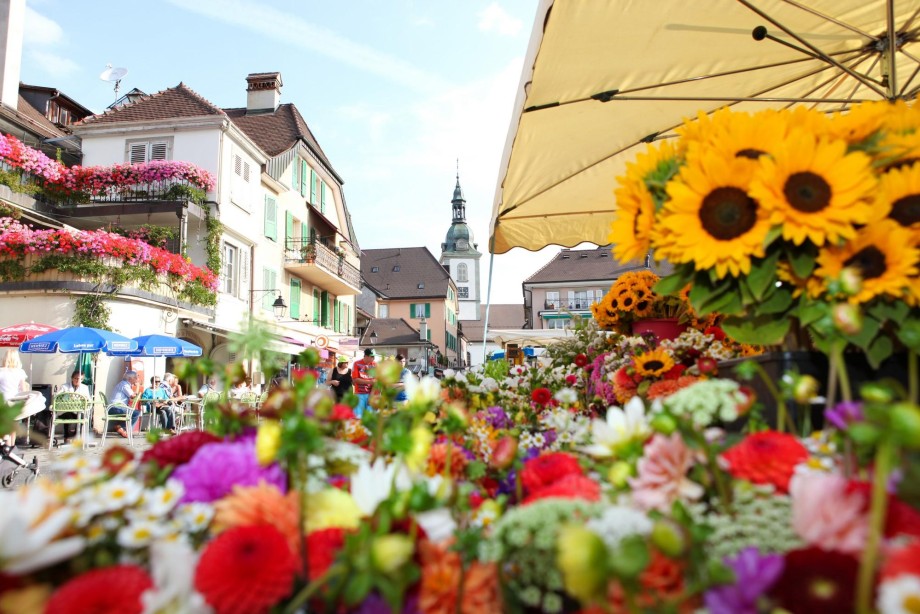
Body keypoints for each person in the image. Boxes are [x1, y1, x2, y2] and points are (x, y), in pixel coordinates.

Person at [0, 349, 45, 445]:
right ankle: (11, 447)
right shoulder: (20, 372)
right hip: (15, 400)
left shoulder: (0, 371)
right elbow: (23, 389)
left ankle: (6, 448)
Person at [57, 370, 90, 439]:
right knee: (69, 417)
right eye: (76, 378)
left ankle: (79, 438)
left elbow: (89, 401)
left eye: (80, 379)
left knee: (82, 417)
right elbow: (57, 397)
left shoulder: (84, 388)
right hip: (66, 410)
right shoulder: (64, 387)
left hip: (79, 411)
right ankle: (67, 438)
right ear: (72, 378)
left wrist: (85, 399)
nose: (78, 380)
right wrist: (66, 396)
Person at [108, 370, 141, 438]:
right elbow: (133, 397)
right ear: (130, 378)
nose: (137, 379)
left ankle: (120, 427)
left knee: (132, 412)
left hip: (114, 407)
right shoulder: (125, 384)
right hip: (116, 408)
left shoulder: (124, 384)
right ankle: (125, 430)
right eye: (135, 377)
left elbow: (132, 398)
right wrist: (137, 386)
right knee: (136, 413)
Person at [351, 348, 376, 417]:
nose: (374, 358)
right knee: (358, 416)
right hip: (359, 394)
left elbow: (376, 382)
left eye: (374, 356)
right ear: (366, 356)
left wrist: (371, 396)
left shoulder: (375, 365)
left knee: (370, 417)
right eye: (372, 356)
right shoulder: (356, 364)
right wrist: (370, 382)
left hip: (371, 394)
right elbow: (355, 379)